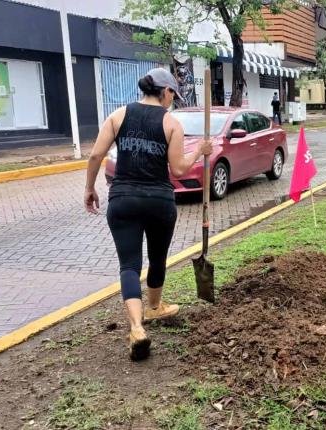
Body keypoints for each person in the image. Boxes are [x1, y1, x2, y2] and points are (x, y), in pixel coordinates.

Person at [84, 68, 212, 360]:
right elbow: (179, 169)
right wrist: (200, 151)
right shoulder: (171, 123)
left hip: (123, 199)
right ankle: (155, 307)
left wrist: (89, 188)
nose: (172, 101)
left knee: (129, 265)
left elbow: (94, 156)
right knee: (157, 258)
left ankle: (137, 327)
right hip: (158, 201)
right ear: (165, 91)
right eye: (173, 96)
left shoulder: (118, 115)